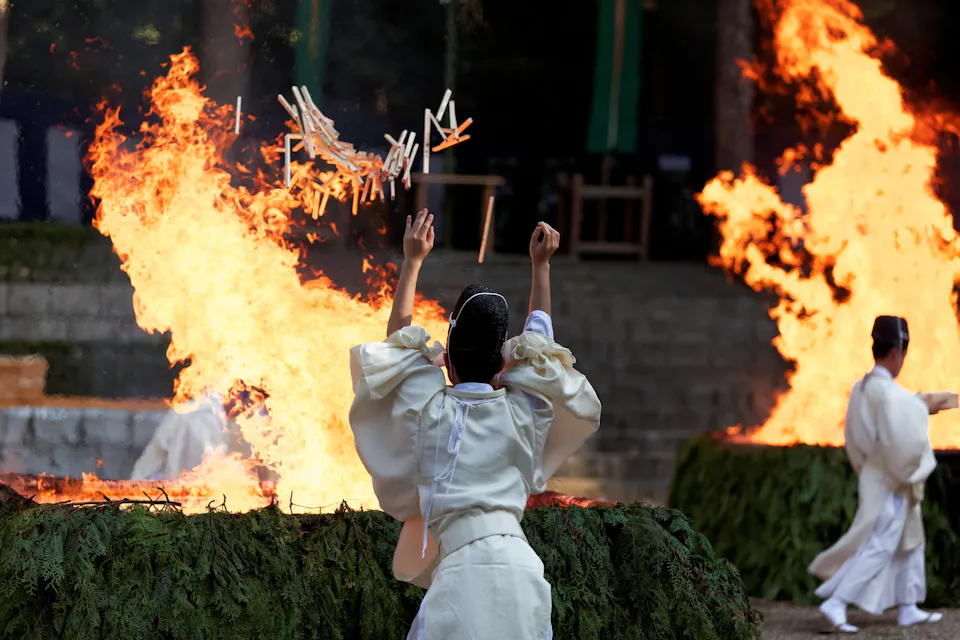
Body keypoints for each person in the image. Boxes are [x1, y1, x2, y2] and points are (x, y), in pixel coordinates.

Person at [348, 209, 601, 640]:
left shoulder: (428, 412)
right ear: (503, 362)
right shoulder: (525, 412)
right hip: (525, 575)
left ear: (446, 362)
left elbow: (396, 351)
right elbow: (541, 346)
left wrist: (412, 261)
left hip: (462, 577)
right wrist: (541, 266)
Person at [809, 315, 950, 633]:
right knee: (881, 544)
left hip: (875, 474)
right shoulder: (889, 394)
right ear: (896, 352)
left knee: (909, 538)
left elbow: (855, 435)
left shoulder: (862, 388)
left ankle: (908, 605)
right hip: (889, 478)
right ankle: (837, 602)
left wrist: (867, 466)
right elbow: (901, 438)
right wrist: (923, 408)